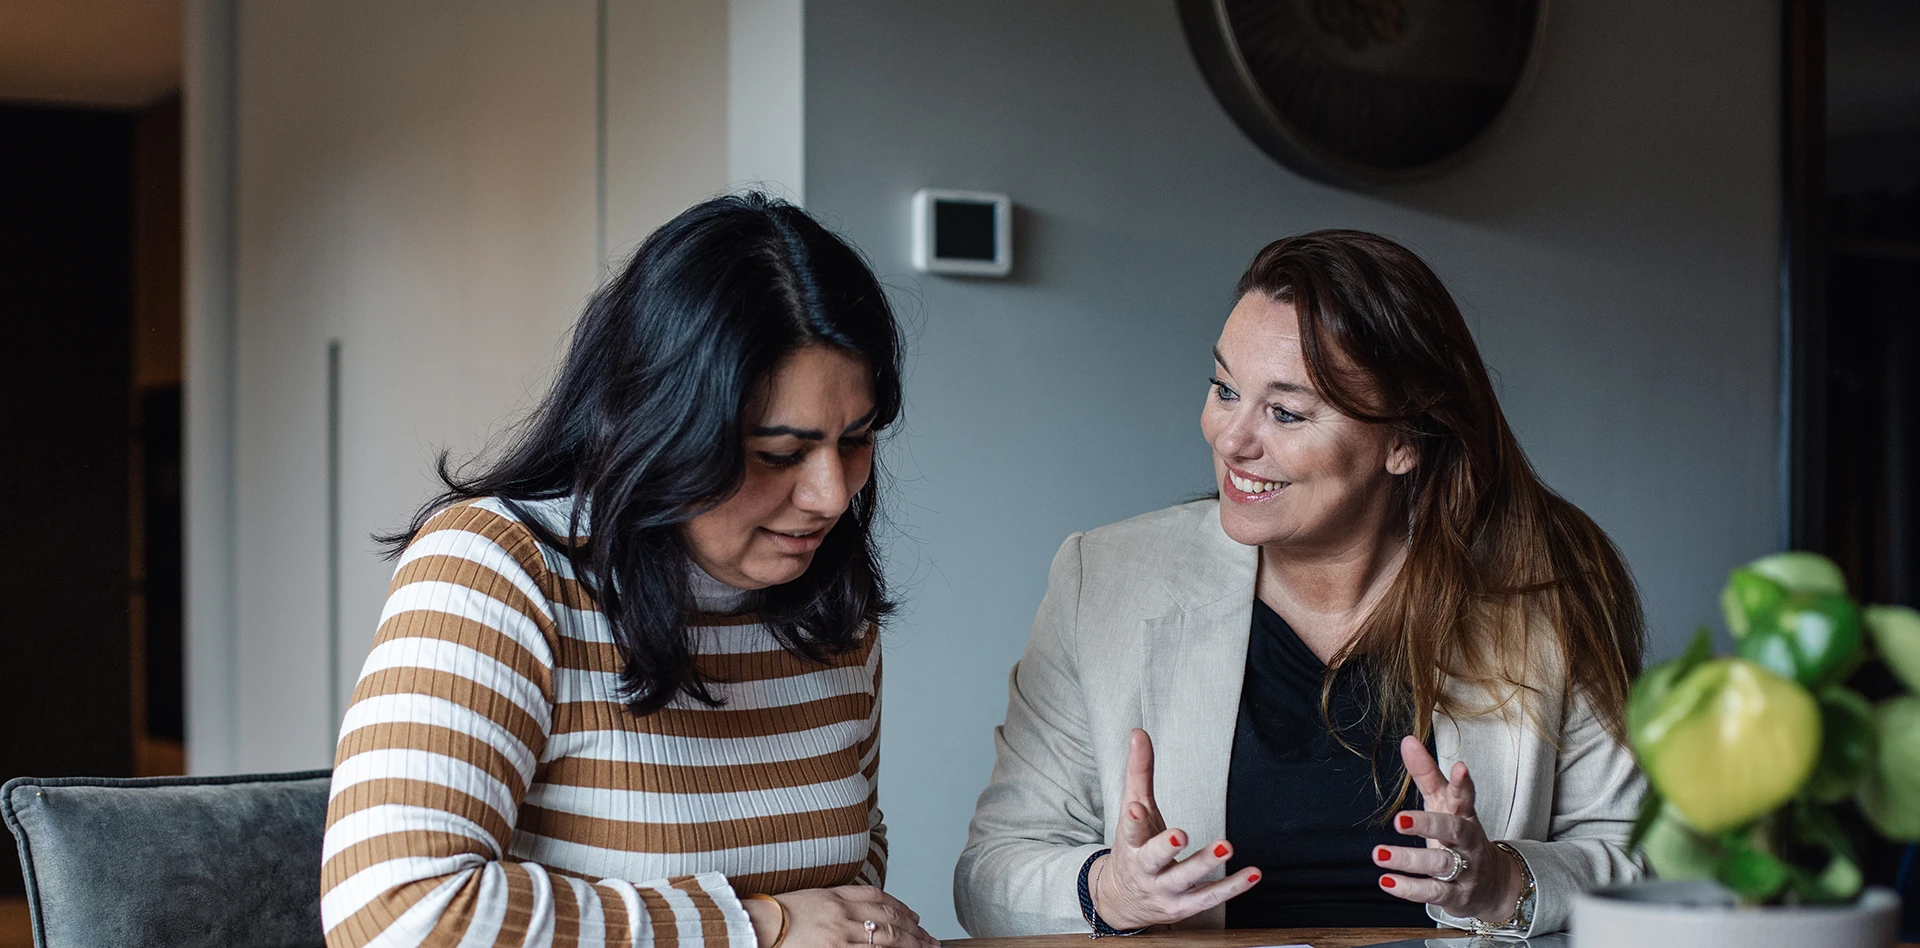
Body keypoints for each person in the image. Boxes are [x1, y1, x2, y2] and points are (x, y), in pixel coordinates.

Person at [954, 230, 1647, 938]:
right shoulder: (1101, 581)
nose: (1230, 438)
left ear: (1404, 442)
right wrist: (1109, 891)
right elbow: (988, 878)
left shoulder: (1547, 591)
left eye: (1285, 412)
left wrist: (1504, 883)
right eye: (1225, 389)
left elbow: (1641, 861)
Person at [321, 194, 937, 948]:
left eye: (857, 440)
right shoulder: (498, 569)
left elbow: (847, 880)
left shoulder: (831, 605)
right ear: (657, 424)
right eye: (777, 453)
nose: (831, 495)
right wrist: (753, 927)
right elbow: (395, 914)